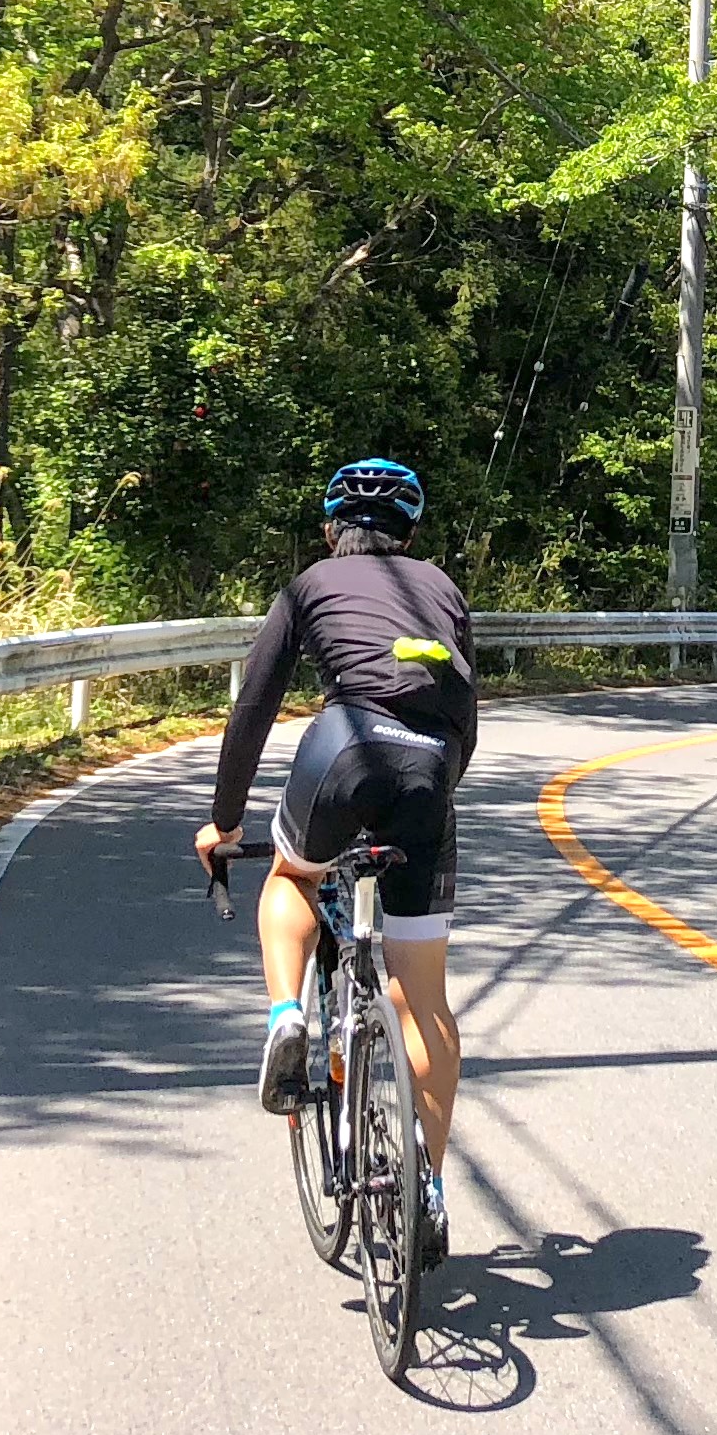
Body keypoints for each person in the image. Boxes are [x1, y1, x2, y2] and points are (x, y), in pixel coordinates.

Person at [192, 456, 477, 1266]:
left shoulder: (309, 585)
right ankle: (426, 1191)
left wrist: (223, 824)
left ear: (330, 529)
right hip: (429, 769)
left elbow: (253, 707)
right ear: (411, 533)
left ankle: (288, 1019)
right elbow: (466, 718)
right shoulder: (444, 590)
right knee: (424, 1000)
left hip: (342, 746)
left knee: (291, 877)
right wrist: (427, 801)